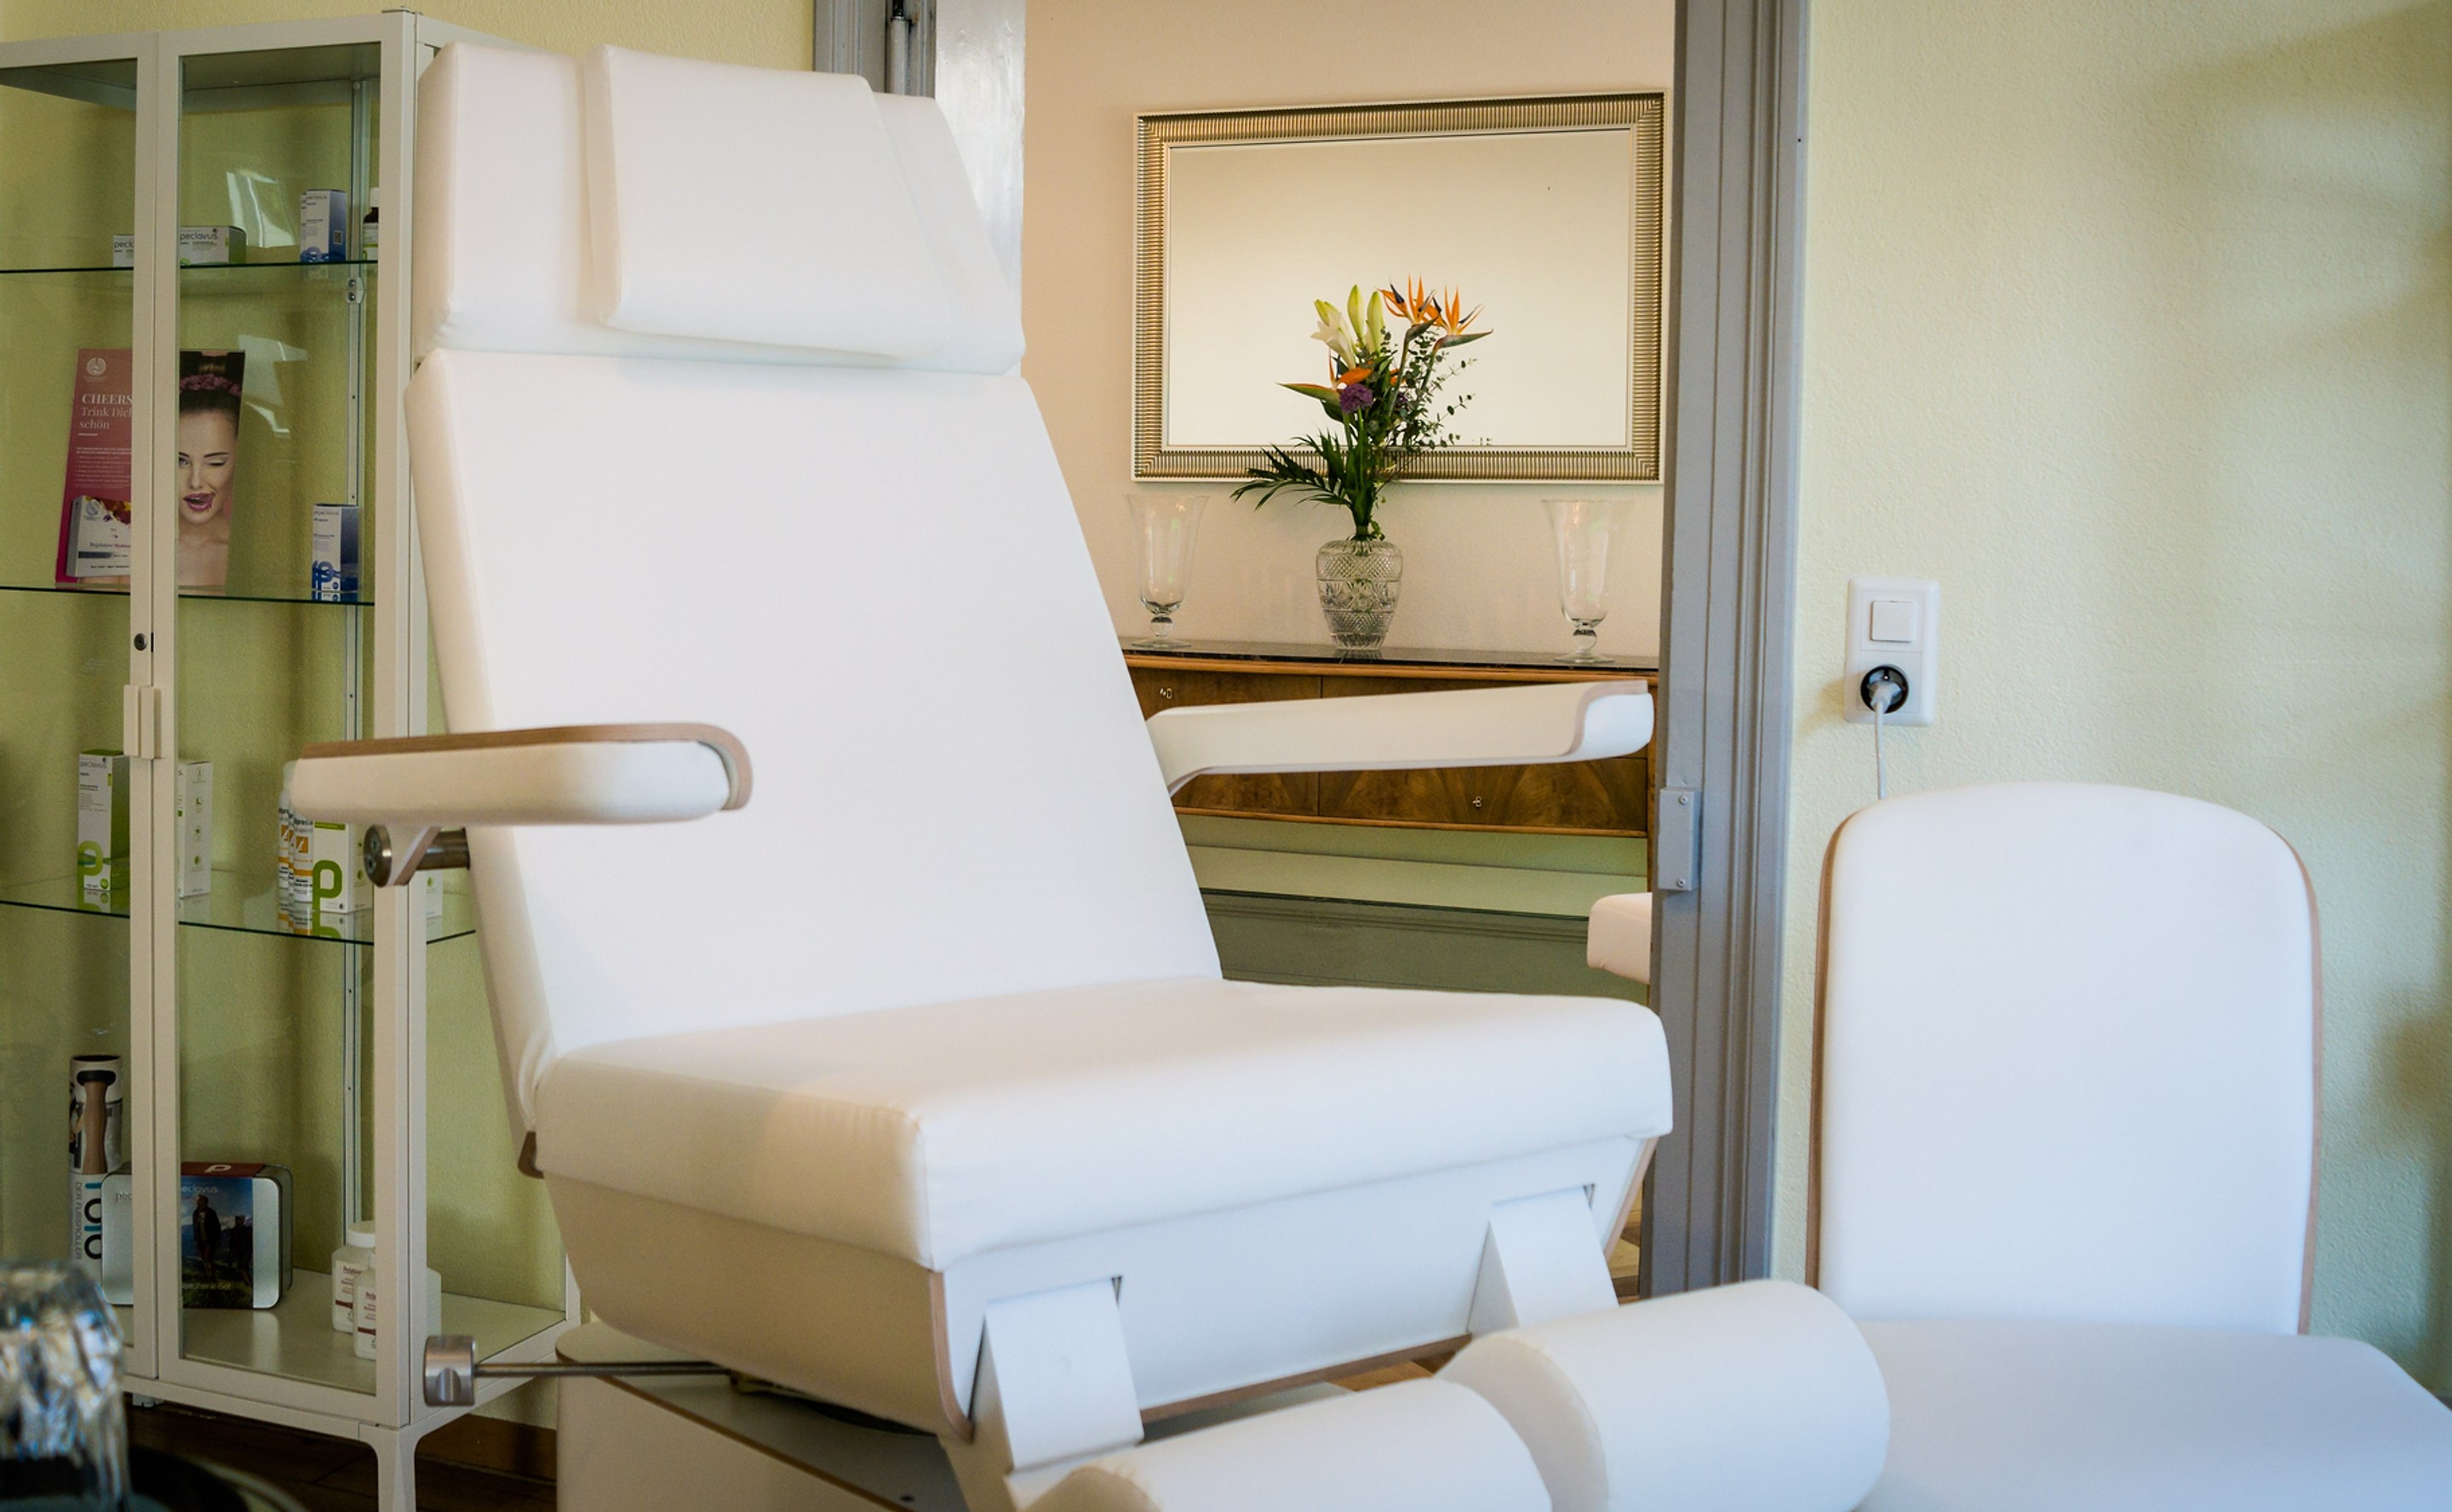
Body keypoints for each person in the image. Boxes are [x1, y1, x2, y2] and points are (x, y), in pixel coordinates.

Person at [175, 365, 240, 589]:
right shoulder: (130, 549)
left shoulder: (255, 555)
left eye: (215, 463)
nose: (195, 482)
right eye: (181, 461)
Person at [190, 1190, 221, 1281]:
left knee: (209, 1258)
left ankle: (212, 1276)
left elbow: (217, 1226)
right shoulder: (195, 1213)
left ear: (206, 1202)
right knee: (204, 1258)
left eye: (201, 1201)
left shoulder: (211, 1212)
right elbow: (195, 1227)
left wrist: (218, 1238)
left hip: (210, 1239)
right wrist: (196, 1238)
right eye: (199, 1201)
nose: (199, 1203)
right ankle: (208, 1275)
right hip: (200, 1240)